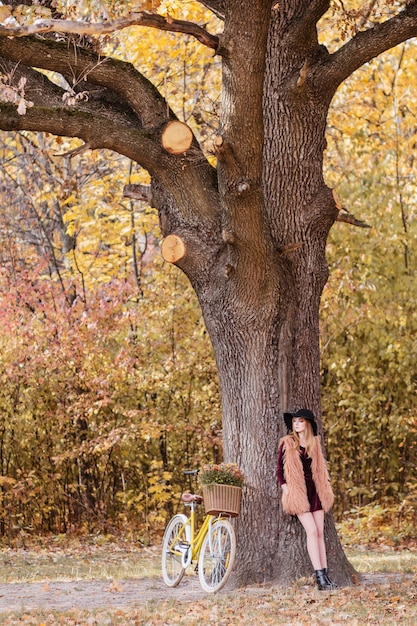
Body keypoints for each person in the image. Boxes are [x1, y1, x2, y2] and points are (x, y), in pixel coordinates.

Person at [276, 408, 337, 591]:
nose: (296, 424)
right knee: (311, 531)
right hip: (299, 493)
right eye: (295, 421)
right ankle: (319, 575)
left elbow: (319, 468)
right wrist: (287, 490)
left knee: (319, 532)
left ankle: (325, 577)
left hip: (316, 490)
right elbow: (279, 470)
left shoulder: (314, 443)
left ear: (307, 424)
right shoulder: (287, 442)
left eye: (300, 421)